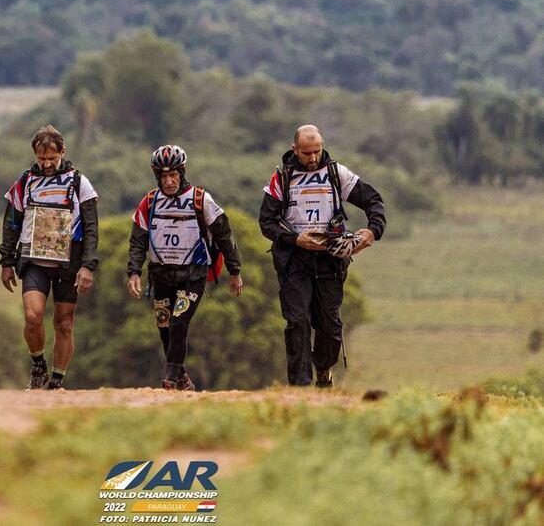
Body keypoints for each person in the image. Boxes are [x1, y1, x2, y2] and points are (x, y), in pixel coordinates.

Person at [259, 125, 386, 388]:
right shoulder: (281, 178)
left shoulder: (336, 173)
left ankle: (324, 371)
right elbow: (266, 222)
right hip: (295, 261)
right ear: (295, 150)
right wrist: (295, 239)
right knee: (297, 321)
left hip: (330, 261)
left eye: (317, 151)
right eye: (306, 153)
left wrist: (372, 231)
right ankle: (300, 387)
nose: (313, 158)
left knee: (330, 326)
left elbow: (374, 201)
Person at [127, 145, 243, 390]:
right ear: (156, 176)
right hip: (161, 275)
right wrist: (134, 272)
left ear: (182, 173)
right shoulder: (149, 202)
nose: (168, 182)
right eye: (163, 177)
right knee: (164, 327)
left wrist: (235, 271)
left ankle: (169, 379)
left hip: (193, 274)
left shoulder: (201, 199)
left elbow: (224, 235)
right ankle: (182, 377)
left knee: (179, 323)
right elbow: (138, 240)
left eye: (173, 176)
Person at [0, 125, 98, 390]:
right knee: (33, 316)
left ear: (62, 152)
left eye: (52, 159)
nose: (47, 164)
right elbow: (11, 223)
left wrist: (88, 266)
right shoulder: (24, 182)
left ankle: (57, 380)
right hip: (34, 262)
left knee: (64, 323)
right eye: (42, 159)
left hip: (69, 264)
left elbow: (91, 227)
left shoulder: (79, 183)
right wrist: (6, 261)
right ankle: (37, 365)